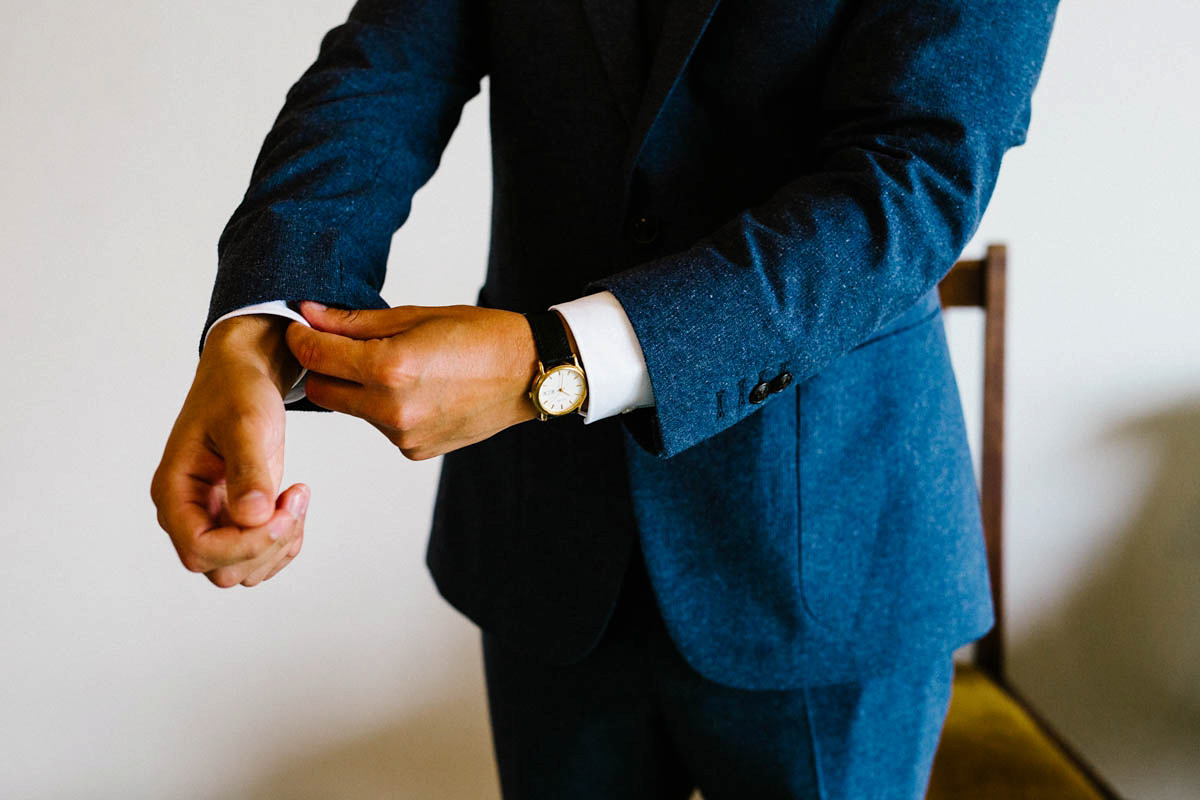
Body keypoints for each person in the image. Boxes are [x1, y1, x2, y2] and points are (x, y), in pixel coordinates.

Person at [151, 1, 1057, 797]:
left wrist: (554, 360)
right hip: (550, 543)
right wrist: (257, 326)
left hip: (829, 536)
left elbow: (914, 176)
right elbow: (389, 60)